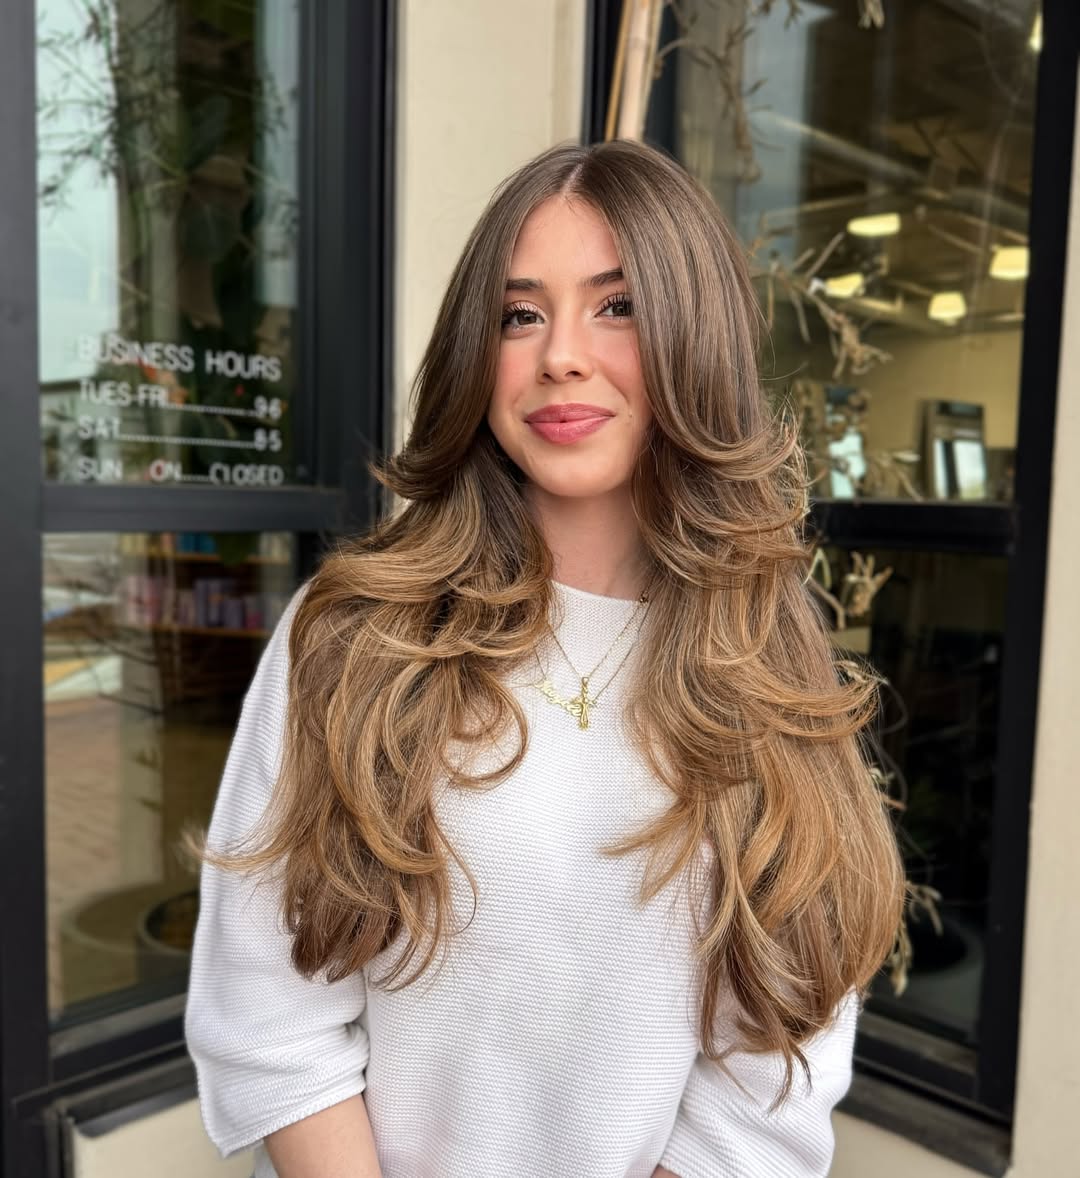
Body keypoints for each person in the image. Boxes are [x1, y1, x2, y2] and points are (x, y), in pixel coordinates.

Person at [185, 139, 904, 1178]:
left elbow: (771, 1072)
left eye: (618, 305)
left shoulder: (775, 671)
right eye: (519, 315)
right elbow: (269, 1017)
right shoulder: (353, 635)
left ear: (697, 337)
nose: (561, 353)